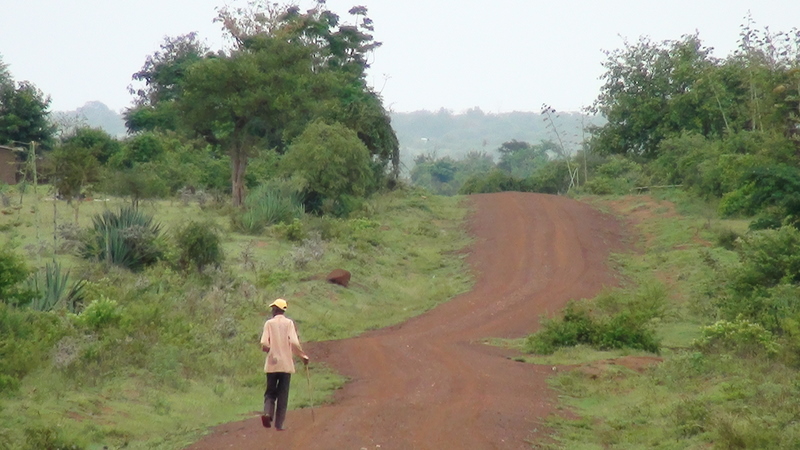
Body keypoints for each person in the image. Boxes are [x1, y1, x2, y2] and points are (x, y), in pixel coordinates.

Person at [260, 298, 309, 431]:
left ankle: (267, 413)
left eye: (273, 308)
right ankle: (279, 424)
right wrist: (303, 356)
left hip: (272, 364)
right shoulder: (289, 324)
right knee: (283, 394)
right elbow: (293, 342)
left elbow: (264, 343)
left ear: (276, 310)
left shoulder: (269, 324)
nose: (272, 311)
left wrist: (268, 349)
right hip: (286, 365)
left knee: (270, 392)